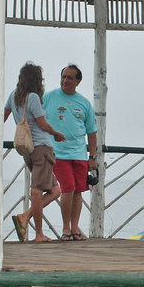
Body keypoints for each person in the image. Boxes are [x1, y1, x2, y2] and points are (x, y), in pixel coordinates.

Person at [3, 62, 65, 243]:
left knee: (55, 190)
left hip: (27, 149)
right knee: (37, 191)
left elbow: (2, 117)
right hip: (41, 148)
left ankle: (25, 216)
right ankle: (38, 233)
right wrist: (56, 134)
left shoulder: (13, 96)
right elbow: (43, 125)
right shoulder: (34, 98)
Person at [43, 63, 99, 241]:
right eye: (63, 76)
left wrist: (92, 157)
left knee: (77, 191)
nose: (65, 80)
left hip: (79, 154)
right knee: (67, 189)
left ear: (78, 81)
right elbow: (34, 118)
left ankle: (75, 228)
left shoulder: (84, 103)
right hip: (58, 153)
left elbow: (92, 132)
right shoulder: (48, 98)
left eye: (69, 78)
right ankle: (65, 228)